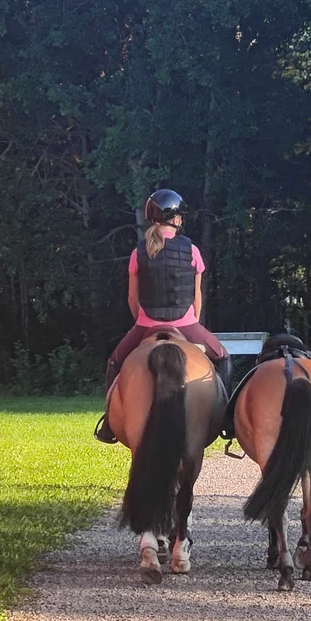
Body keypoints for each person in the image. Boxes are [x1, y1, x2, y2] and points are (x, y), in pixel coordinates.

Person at [95, 189, 232, 442]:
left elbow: (132, 299)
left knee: (115, 361)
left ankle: (109, 425)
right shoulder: (192, 251)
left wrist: (143, 321)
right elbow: (196, 297)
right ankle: (226, 419)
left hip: (146, 325)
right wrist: (191, 323)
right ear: (177, 219)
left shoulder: (139, 252)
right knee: (223, 356)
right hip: (186, 323)